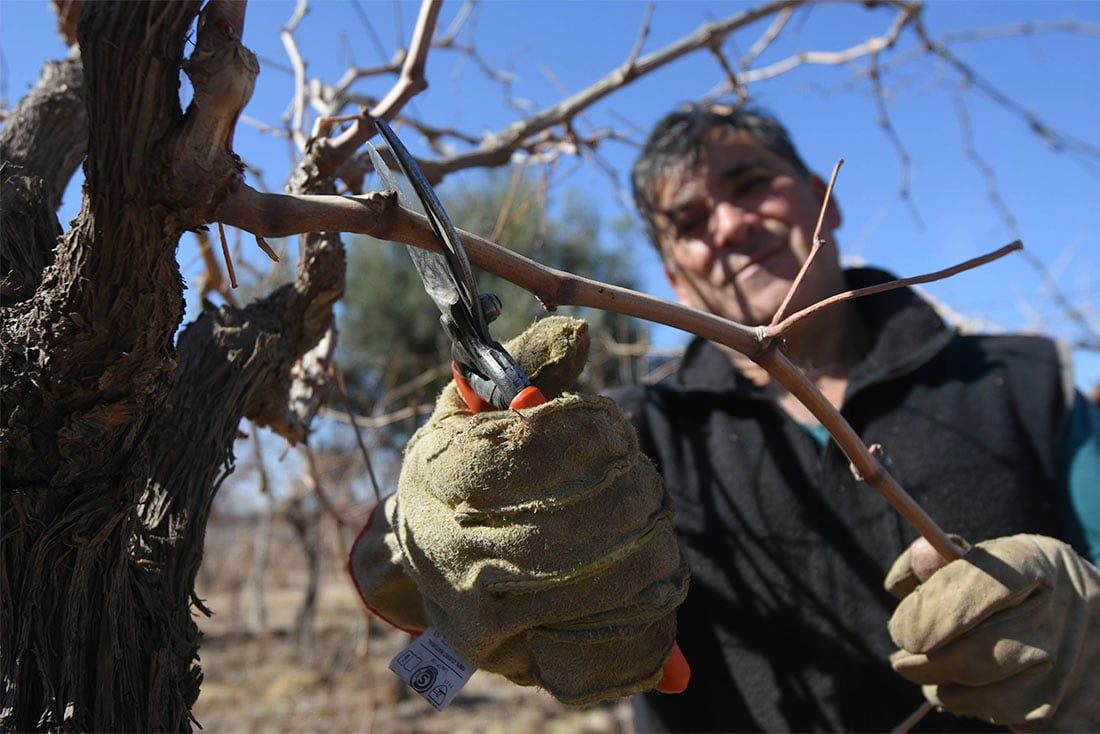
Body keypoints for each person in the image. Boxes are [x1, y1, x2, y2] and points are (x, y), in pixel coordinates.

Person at [350, 103, 1100, 732]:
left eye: (751, 185)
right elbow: (396, 590)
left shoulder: (1027, 382)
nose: (731, 225)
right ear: (674, 275)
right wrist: (435, 521)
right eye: (690, 220)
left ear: (820, 197)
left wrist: (1088, 637)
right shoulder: (621, 436)